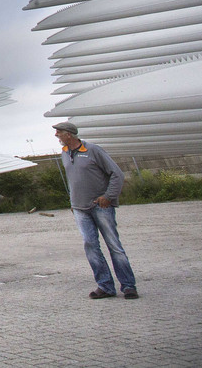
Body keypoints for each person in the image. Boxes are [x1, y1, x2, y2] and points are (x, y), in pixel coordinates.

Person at [53, 121, 138, 299]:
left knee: (114, 245)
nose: (56, 135)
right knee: (90, 245)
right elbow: (73, 180)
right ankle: (105, 286)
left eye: (59, 132)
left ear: (69, 134)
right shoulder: (65, 153)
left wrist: (109, 196)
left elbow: (117, 174)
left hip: (101, 206)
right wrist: (73, 201)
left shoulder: (93, 150)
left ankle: (128, 285)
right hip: (79, 208)